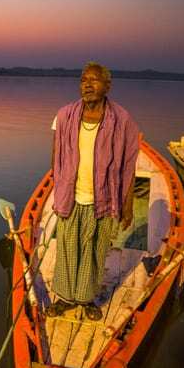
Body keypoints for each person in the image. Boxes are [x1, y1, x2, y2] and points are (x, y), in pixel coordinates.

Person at [48, 62, 140, 320]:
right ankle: (66, 298)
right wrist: (58, 186)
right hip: (71, 196)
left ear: (107, 86)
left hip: (104, 198)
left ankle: (87, 299)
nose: (87, 84)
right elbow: (55, 156)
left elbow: (128, 166)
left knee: (95, 251)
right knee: (67, 248)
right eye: (83, 80)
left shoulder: (122, 120)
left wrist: (128, 205)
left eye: (94, 80)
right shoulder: (65, 114)